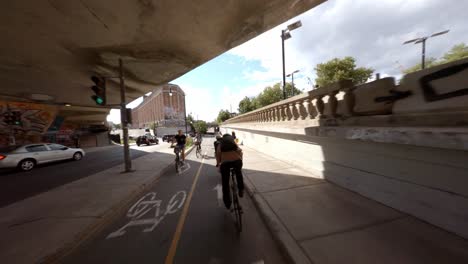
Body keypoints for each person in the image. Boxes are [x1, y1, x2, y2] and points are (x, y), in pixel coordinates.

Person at [216, 134, 244, 210]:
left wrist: (218, 165)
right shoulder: (233, 142)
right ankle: (241, 189)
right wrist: (240, 160)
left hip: (225, 164)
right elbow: (240, 152)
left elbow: (218, 155)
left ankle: (228, 203)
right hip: (236, 162)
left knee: (225, 183)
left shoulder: (220, 144)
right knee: (239, 174)